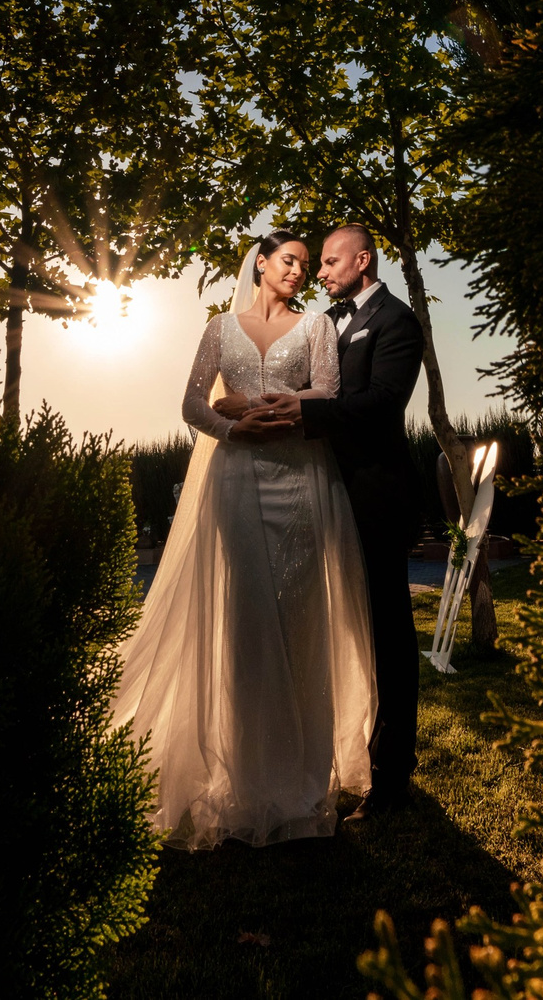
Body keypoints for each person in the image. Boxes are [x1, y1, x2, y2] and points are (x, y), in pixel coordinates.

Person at [109, 231, 376, 847]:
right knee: (245, 616)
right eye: (290, 261)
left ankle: (303, 778)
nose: (300, 273)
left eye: (308, 266)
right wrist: (233, 430)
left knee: (301, 619)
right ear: (261, 262)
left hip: (302, 481)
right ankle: (243, 773)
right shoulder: (218, 329)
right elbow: (191, 406)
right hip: (235, 480)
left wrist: (252, 406)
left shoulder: (315, 329)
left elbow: (329, 393)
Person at [228, 223, 424, 813]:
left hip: (375, 497)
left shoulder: (396, 322)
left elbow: (382, 404)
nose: (320, 272)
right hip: (321, 493)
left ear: (362, 261)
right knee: (336, 628)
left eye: (331, 262)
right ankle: (330, 753)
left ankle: (393, 774)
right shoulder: (325, 322)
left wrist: (308, 414)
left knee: (387, 632)